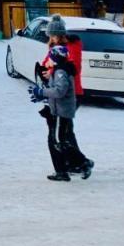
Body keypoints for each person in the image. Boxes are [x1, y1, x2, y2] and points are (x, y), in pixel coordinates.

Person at [31, 44, 93, 181]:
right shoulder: (60, 70)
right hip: (60, 109)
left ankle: (83, 162)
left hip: (62, 111)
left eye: (51, 57)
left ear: (56, 58)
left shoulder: (60, 72)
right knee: (60, 139)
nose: (49, 59)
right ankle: (65, 170)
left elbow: (59, 91)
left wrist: (42, 92)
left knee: (59, 140)